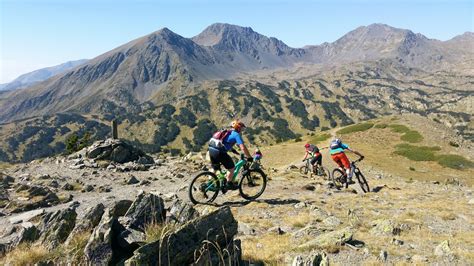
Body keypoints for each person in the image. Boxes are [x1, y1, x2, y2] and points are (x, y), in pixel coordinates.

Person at [208, 120, 253, 190]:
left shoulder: (228, 132)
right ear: (238, 128)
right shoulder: (236, 135)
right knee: (232, 168)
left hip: (211, 149)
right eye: (241, 128)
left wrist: (232, 150)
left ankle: (208, 183)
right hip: (219, 152)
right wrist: (249, 157)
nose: (242, 130)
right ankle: (228, 184)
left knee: (215, 168)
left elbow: (224, 142)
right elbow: (243, 147)